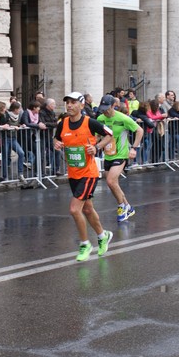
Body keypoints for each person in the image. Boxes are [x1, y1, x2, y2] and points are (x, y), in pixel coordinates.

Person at [53, 92, 114, 261]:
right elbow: (56, 139)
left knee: (74, 209)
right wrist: (56, 144)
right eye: (67, 103)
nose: (69, 106)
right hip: (73, 173)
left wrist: (97, 147)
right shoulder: (63, 123)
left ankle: (85, 244)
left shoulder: (90, 122)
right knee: (87, 209)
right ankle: (103, 236)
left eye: (73, 102)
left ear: (81, 105)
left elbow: (109, 134)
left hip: (89, 173)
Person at [97, 94, 144, 222]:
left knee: (111, 181)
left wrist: (134, 148)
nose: (105, 111)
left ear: (114, 106)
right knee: (113, 185)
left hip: (121, 154)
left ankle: (122, 206)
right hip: (108, 154)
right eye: (103, 108)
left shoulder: (123, 118)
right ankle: (128, 206)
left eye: (107, 108)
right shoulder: (101, 118)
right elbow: (97, 135)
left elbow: (139, 130)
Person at [3, 101, 27, 182]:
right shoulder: (7, 115)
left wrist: (21, 125)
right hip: (6, 138)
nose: (20, 110)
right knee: (5, 156)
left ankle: (20, 174)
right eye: (19, 109)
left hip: (13, 138)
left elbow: (19, 123)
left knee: (21, 153)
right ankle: (5, 176)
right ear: (15, 109)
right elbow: (5, 124)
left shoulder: (18, 115)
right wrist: (14, 127)